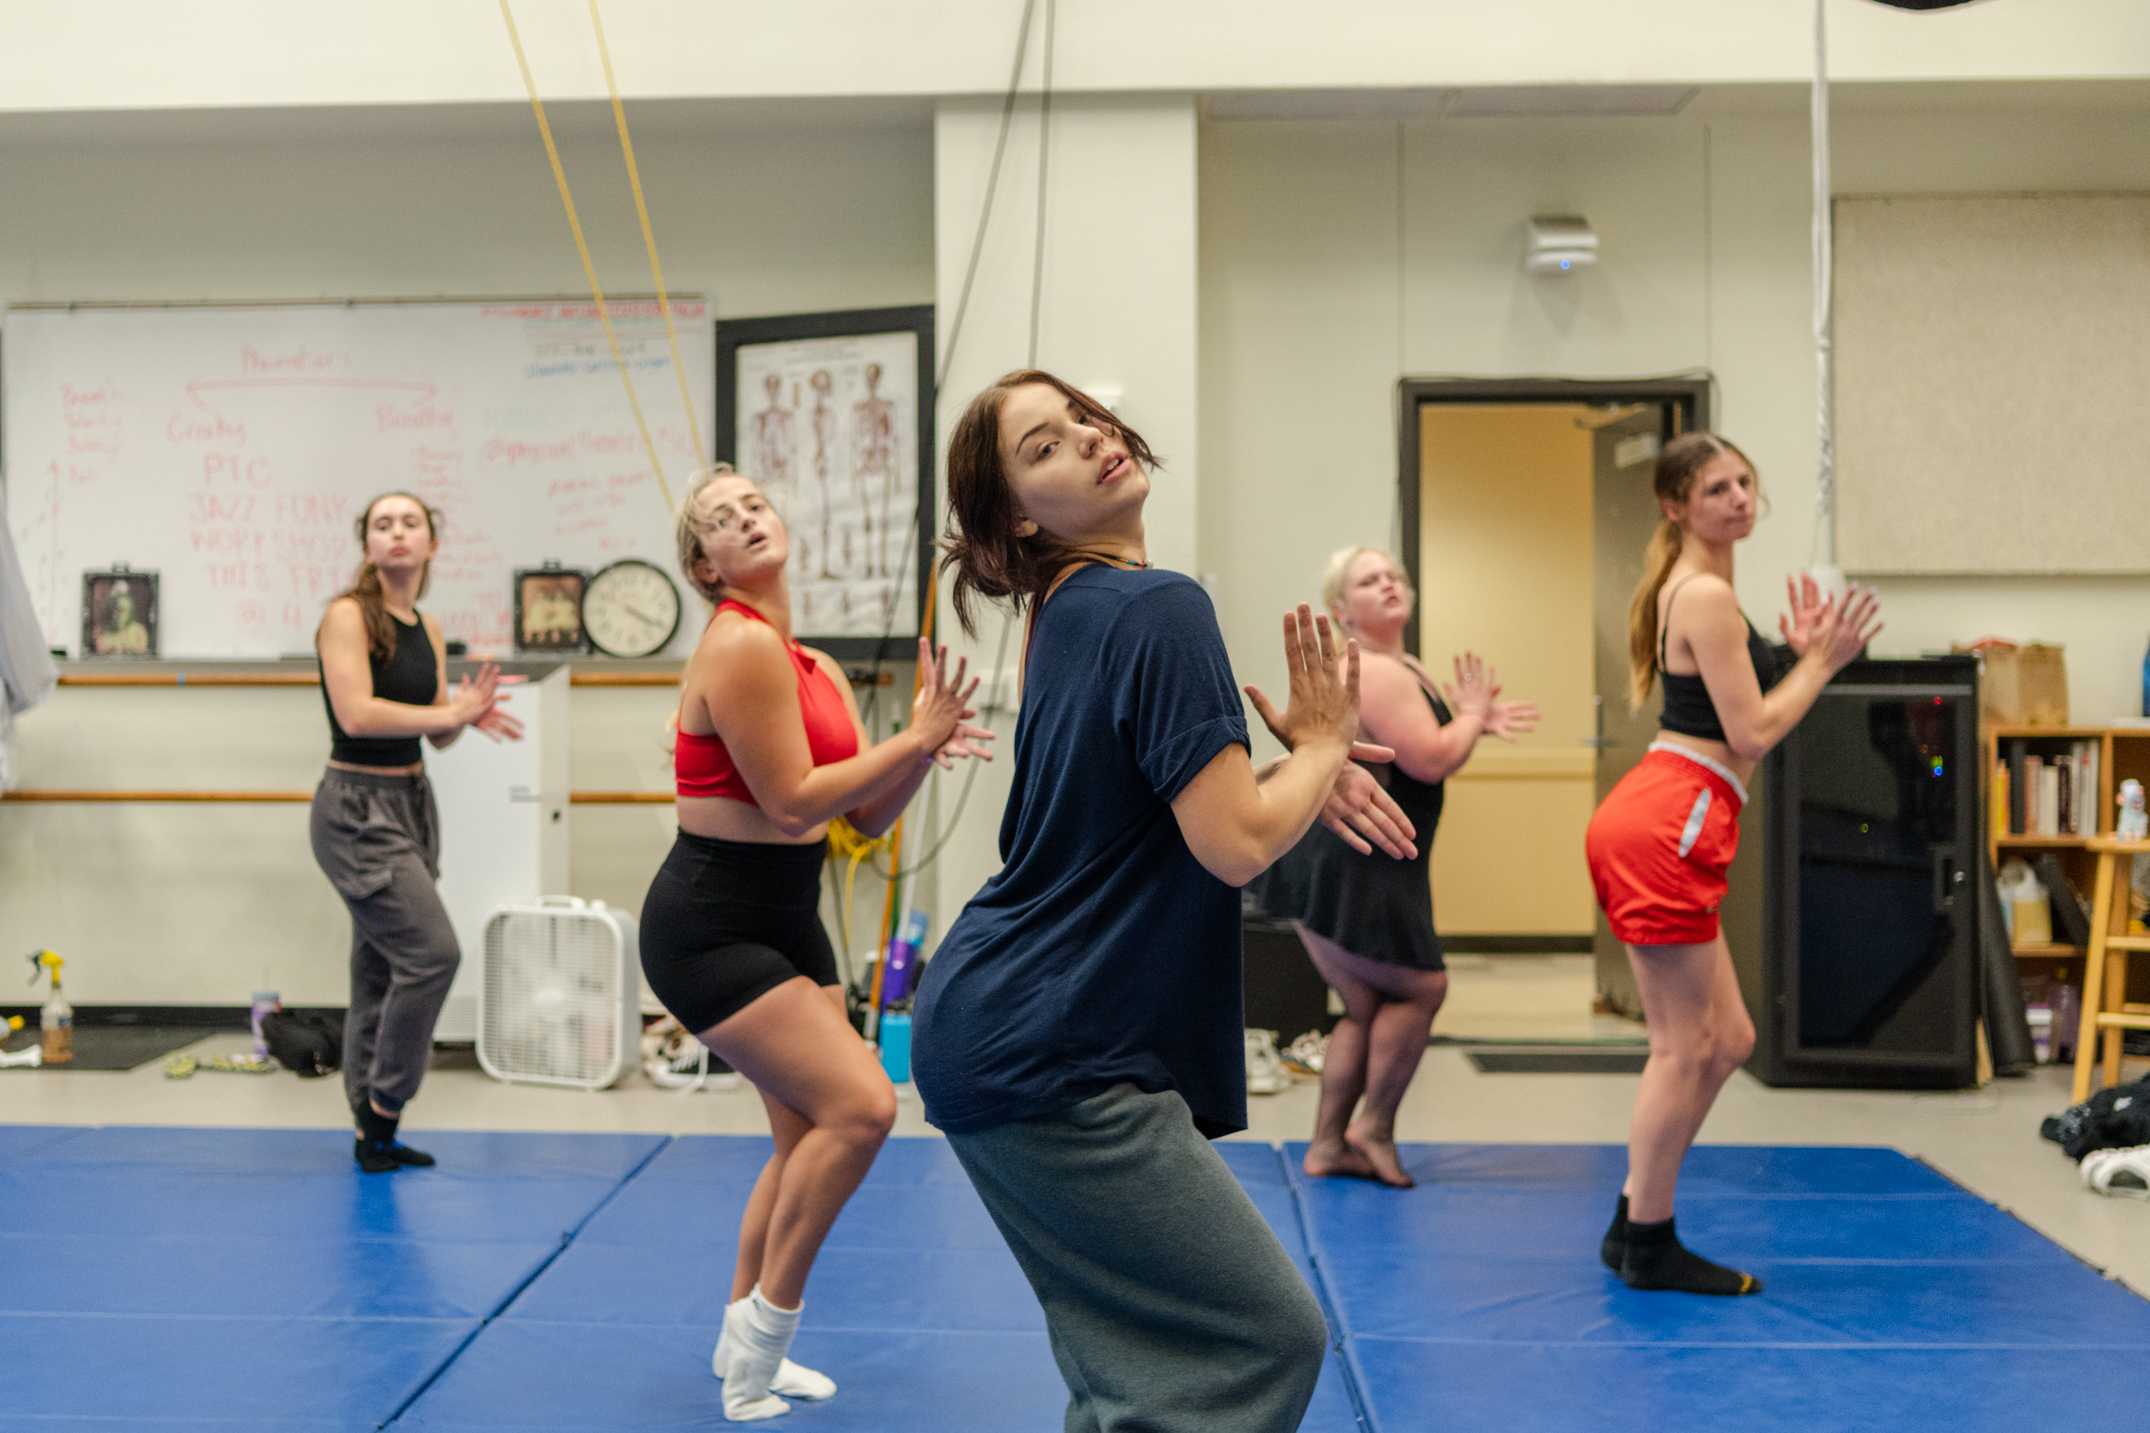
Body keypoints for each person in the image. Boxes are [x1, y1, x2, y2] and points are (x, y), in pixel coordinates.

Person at [912, 370, 1417, 1433]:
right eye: (1044, 447)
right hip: (1048, 1043)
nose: (1090, 441)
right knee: (1260, 1338)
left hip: (1002, 1024)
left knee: (1133, 1368)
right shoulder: (1153, 603)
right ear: (1015, 516)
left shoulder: (1072, 610)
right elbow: (1231, 841)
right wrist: (1320, 747)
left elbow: (1168, 813)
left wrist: (1302, 772)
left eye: (1082, 418)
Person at [639, 463, 992, 1422]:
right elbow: (792, 797)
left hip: (792, 913)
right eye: (720, 520)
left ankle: (735, 1344)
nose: (744, 519)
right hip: (711, 926)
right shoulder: (740, 647)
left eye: (754, 503)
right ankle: (762, 1348)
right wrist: (913, 736)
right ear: (703, 566)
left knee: (803, 1137)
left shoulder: (817, 667)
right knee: (865, 1107)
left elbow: (861, 820)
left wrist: (918, 754)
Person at [1586, 433, 1880, 1295]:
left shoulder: (1702, 590)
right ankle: (1649, 1242)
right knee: (1684, 1047)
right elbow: (1750, 732)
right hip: (1670, 821)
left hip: (1674, 812)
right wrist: (1820, 663)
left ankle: (1631, 1217)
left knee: (1731, 1039)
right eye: (1717, 488)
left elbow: (1733, 711)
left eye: (1746, 482)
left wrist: (1786, 656)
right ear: (1676, 504)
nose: (1740, 498)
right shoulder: (1706, 593)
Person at [1254, 546, 1539, 1188]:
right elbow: (1431, 759)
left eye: (1394, 575)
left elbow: (1423, 750)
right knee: (1422, 987)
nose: (1388, 584)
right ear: (1340, 610)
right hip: (1356, 861)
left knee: (1368, 1004)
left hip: (1367, 859)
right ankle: (1371, 1129)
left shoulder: (1399, 664)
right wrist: (1467, 719)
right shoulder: (1375, 671)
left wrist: (1474, 723)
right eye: (1368, 580)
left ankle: (1330, 1144)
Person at [311, 492, 521, 1174]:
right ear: (366, 545)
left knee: (380, 964)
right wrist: (444, 713)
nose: (397, 533)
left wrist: (464, 715)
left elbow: (436, 731)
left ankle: (372, 1132)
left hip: (409, 798)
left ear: (432, 544)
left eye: (410, 524)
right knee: (432, 954)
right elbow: (360, 714)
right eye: (382, 525)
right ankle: (384, 1105)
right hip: (354, 806)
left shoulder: (426, 627)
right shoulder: (347, 616)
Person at [93, 581, 151, 656]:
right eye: (114, 610)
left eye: (122, 611)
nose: (116, 615)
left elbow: (143, 650)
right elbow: (100, 650)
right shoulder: (102, 631)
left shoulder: (139, 630)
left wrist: (124, 648)